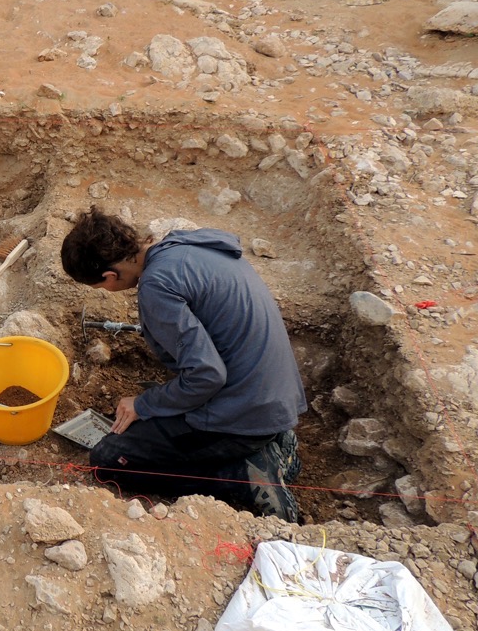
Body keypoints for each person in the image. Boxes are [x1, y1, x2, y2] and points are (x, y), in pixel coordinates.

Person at [60, 208, 305, 522]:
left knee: (109, 459)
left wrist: (144, 404)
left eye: (101, 287)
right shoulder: (186, 245)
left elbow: (206, 375)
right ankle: (273, 442)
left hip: (245, 415)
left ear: (110, 276)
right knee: (154, 413)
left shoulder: (156, 286)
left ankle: (241, 474)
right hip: (274, 400)